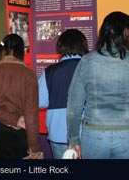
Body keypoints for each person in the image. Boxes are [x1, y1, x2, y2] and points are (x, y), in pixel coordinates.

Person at [67, 12, 129, 159]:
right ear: (127, 33)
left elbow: (74, 107)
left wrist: (73, 139)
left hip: (93, 135)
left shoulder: (86, 62)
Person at [0, 34, 41, 159]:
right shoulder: (28, 75)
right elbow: (31, 116)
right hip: (22, 135)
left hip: (0, 134)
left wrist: (13, 120)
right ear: (20, 51)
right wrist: (34, 148)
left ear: (4, 50)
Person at [38, 29, 88, 159]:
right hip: (87, 133)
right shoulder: (90, 68)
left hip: (58, 132)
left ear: (60, 47)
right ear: (84, 46)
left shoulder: (49, 72)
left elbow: (39, 101)